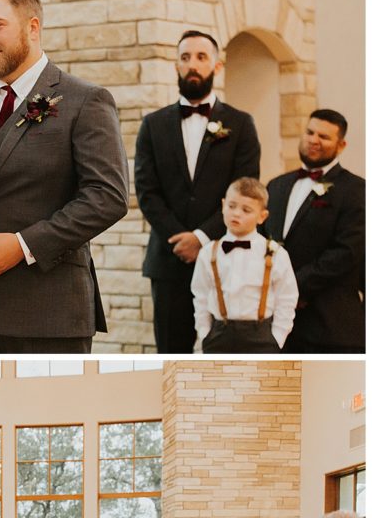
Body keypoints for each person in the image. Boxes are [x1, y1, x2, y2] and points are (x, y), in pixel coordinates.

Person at [0, 0, 129, 353]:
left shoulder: (86, 100)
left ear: (33, 28)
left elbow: (107, 197)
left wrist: (22, 245)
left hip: (49, 314)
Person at [134, 29, 261, 352]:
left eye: (201, 57)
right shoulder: (153, 124)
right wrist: (181, 239)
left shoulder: (241, 124)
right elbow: (147, 191)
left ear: (216, 66)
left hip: (223, 257)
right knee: (170, 353)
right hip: (168, 257)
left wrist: (202, 238)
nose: (193, 64)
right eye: (185, 57)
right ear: (176, 66)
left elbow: (245, 192)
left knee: (225, 350)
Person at [264, 109, 365, 353]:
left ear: (341, 145)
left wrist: (293, 285)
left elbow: (346, 252)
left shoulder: (356, 190)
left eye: (324, 136)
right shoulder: (276, 186)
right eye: (310, 132)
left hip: (330, 323)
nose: (313, 140)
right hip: (279, 325)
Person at [191, 178, 298, 352]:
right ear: (223, 205)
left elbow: (286, 298)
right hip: (219, 335)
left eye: (246, 210)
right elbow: (200, 294)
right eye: (231, 206)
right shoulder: (208, 252)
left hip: (261, 337)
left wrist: (277, 338)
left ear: (262, 216)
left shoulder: (276, 253)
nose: (236, 214)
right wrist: (204, 333)